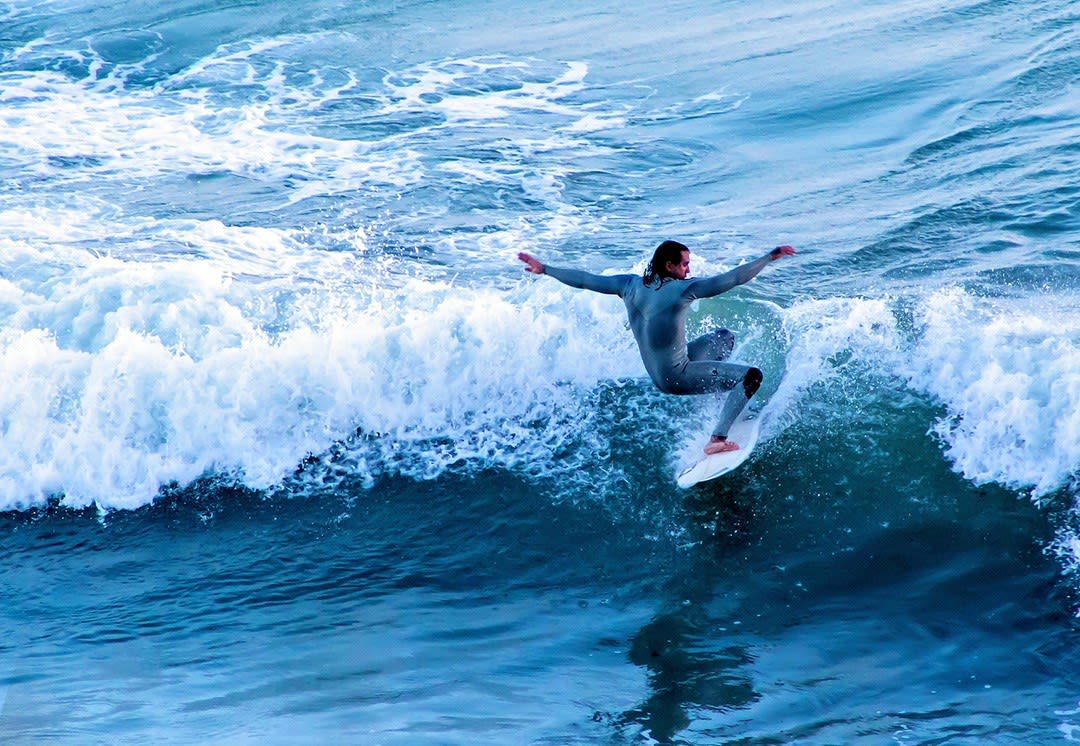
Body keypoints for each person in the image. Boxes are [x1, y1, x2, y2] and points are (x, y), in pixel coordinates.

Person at [518, 240, 796, 455]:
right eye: (685, 264)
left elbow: (584, 280)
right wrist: (769, 257)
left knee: (723, 338)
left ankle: (721, 400)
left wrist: (545, 269)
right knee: (751, 376)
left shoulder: (628, 285)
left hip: (660, 374)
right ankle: (717, 439)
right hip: (677, 376)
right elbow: (732, 279)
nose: (689, 269)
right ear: (669, 265)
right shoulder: (683, 289)